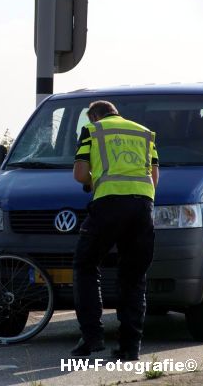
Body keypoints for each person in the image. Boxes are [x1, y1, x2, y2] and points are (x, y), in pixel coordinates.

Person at [71, 100, 159, 361]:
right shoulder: (144, 133)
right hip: (143, 207)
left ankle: (92, 337)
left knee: (85, 265)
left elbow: (80, 173)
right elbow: (154, 177)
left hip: (108, 205)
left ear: (94, 116)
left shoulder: (93, 130)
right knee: (134, 276)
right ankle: (130, 347)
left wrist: (92, 182)